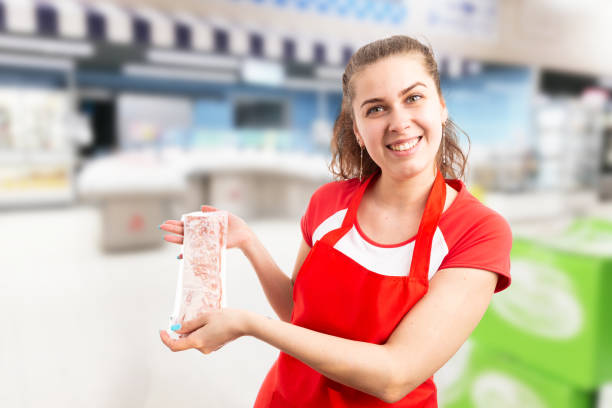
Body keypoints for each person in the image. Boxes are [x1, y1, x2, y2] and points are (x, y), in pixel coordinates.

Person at [159, 35, 512, 407]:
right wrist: (249, 241)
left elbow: (397, 375)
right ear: (358, 131)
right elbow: (300, 314)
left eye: (413, 98)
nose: (399, 121)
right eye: (376, 109)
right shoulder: (328, 204)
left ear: (441, 107)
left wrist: (250, 325)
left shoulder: (476, 232)